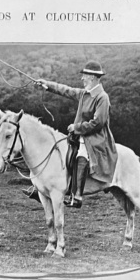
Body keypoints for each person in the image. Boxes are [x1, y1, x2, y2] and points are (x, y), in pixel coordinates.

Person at [31, 62, 117, 209]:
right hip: (81, 135)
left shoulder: (102, 97)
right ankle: (41, 186)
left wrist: (76, 127)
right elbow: (66, 90)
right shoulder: (85, 93)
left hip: (96, 137)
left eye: (84, 76)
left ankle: (77, 195)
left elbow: (98, 123)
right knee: (58, 150)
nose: (82, 79)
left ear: (92, 77)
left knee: (81, 153)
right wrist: (47, 84)